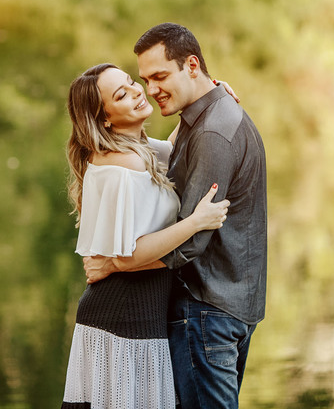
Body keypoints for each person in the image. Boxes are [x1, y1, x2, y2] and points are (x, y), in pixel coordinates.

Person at [85, 23, 268, 409]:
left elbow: (191, 244)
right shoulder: (198, 121)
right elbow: (167, 155)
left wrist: (116, 264)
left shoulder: (210, 132)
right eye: (144, 80)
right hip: (220, 307)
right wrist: (214, 90)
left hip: (207, 313)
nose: (149, 89)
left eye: (160, 76)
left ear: (191, 65)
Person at [61, 62, 231, 409]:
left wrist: (211, 96)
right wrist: (196, 222)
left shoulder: (136, 151)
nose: (138, 91)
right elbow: (130, 254)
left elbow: (178, 146)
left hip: (138, 312)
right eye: (121, 95)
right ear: (105, 118)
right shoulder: (125, 166)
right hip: (124, 316)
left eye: (130, 82)